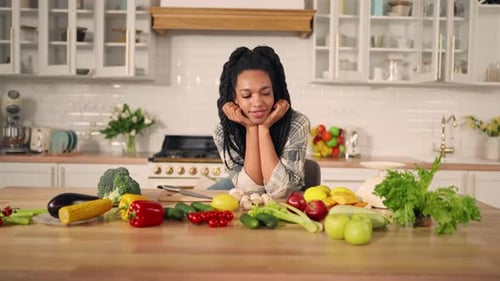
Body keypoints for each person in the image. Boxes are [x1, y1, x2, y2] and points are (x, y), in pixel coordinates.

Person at [209, 46, 310, 199]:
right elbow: (250, 190)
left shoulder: (297, 123)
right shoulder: (223, 131)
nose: (257, 102)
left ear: (274, 92)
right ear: (235, 97)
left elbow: (279, 192)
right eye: (246, 95)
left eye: (265, 93)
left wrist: (263, 129)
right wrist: (250, 128)